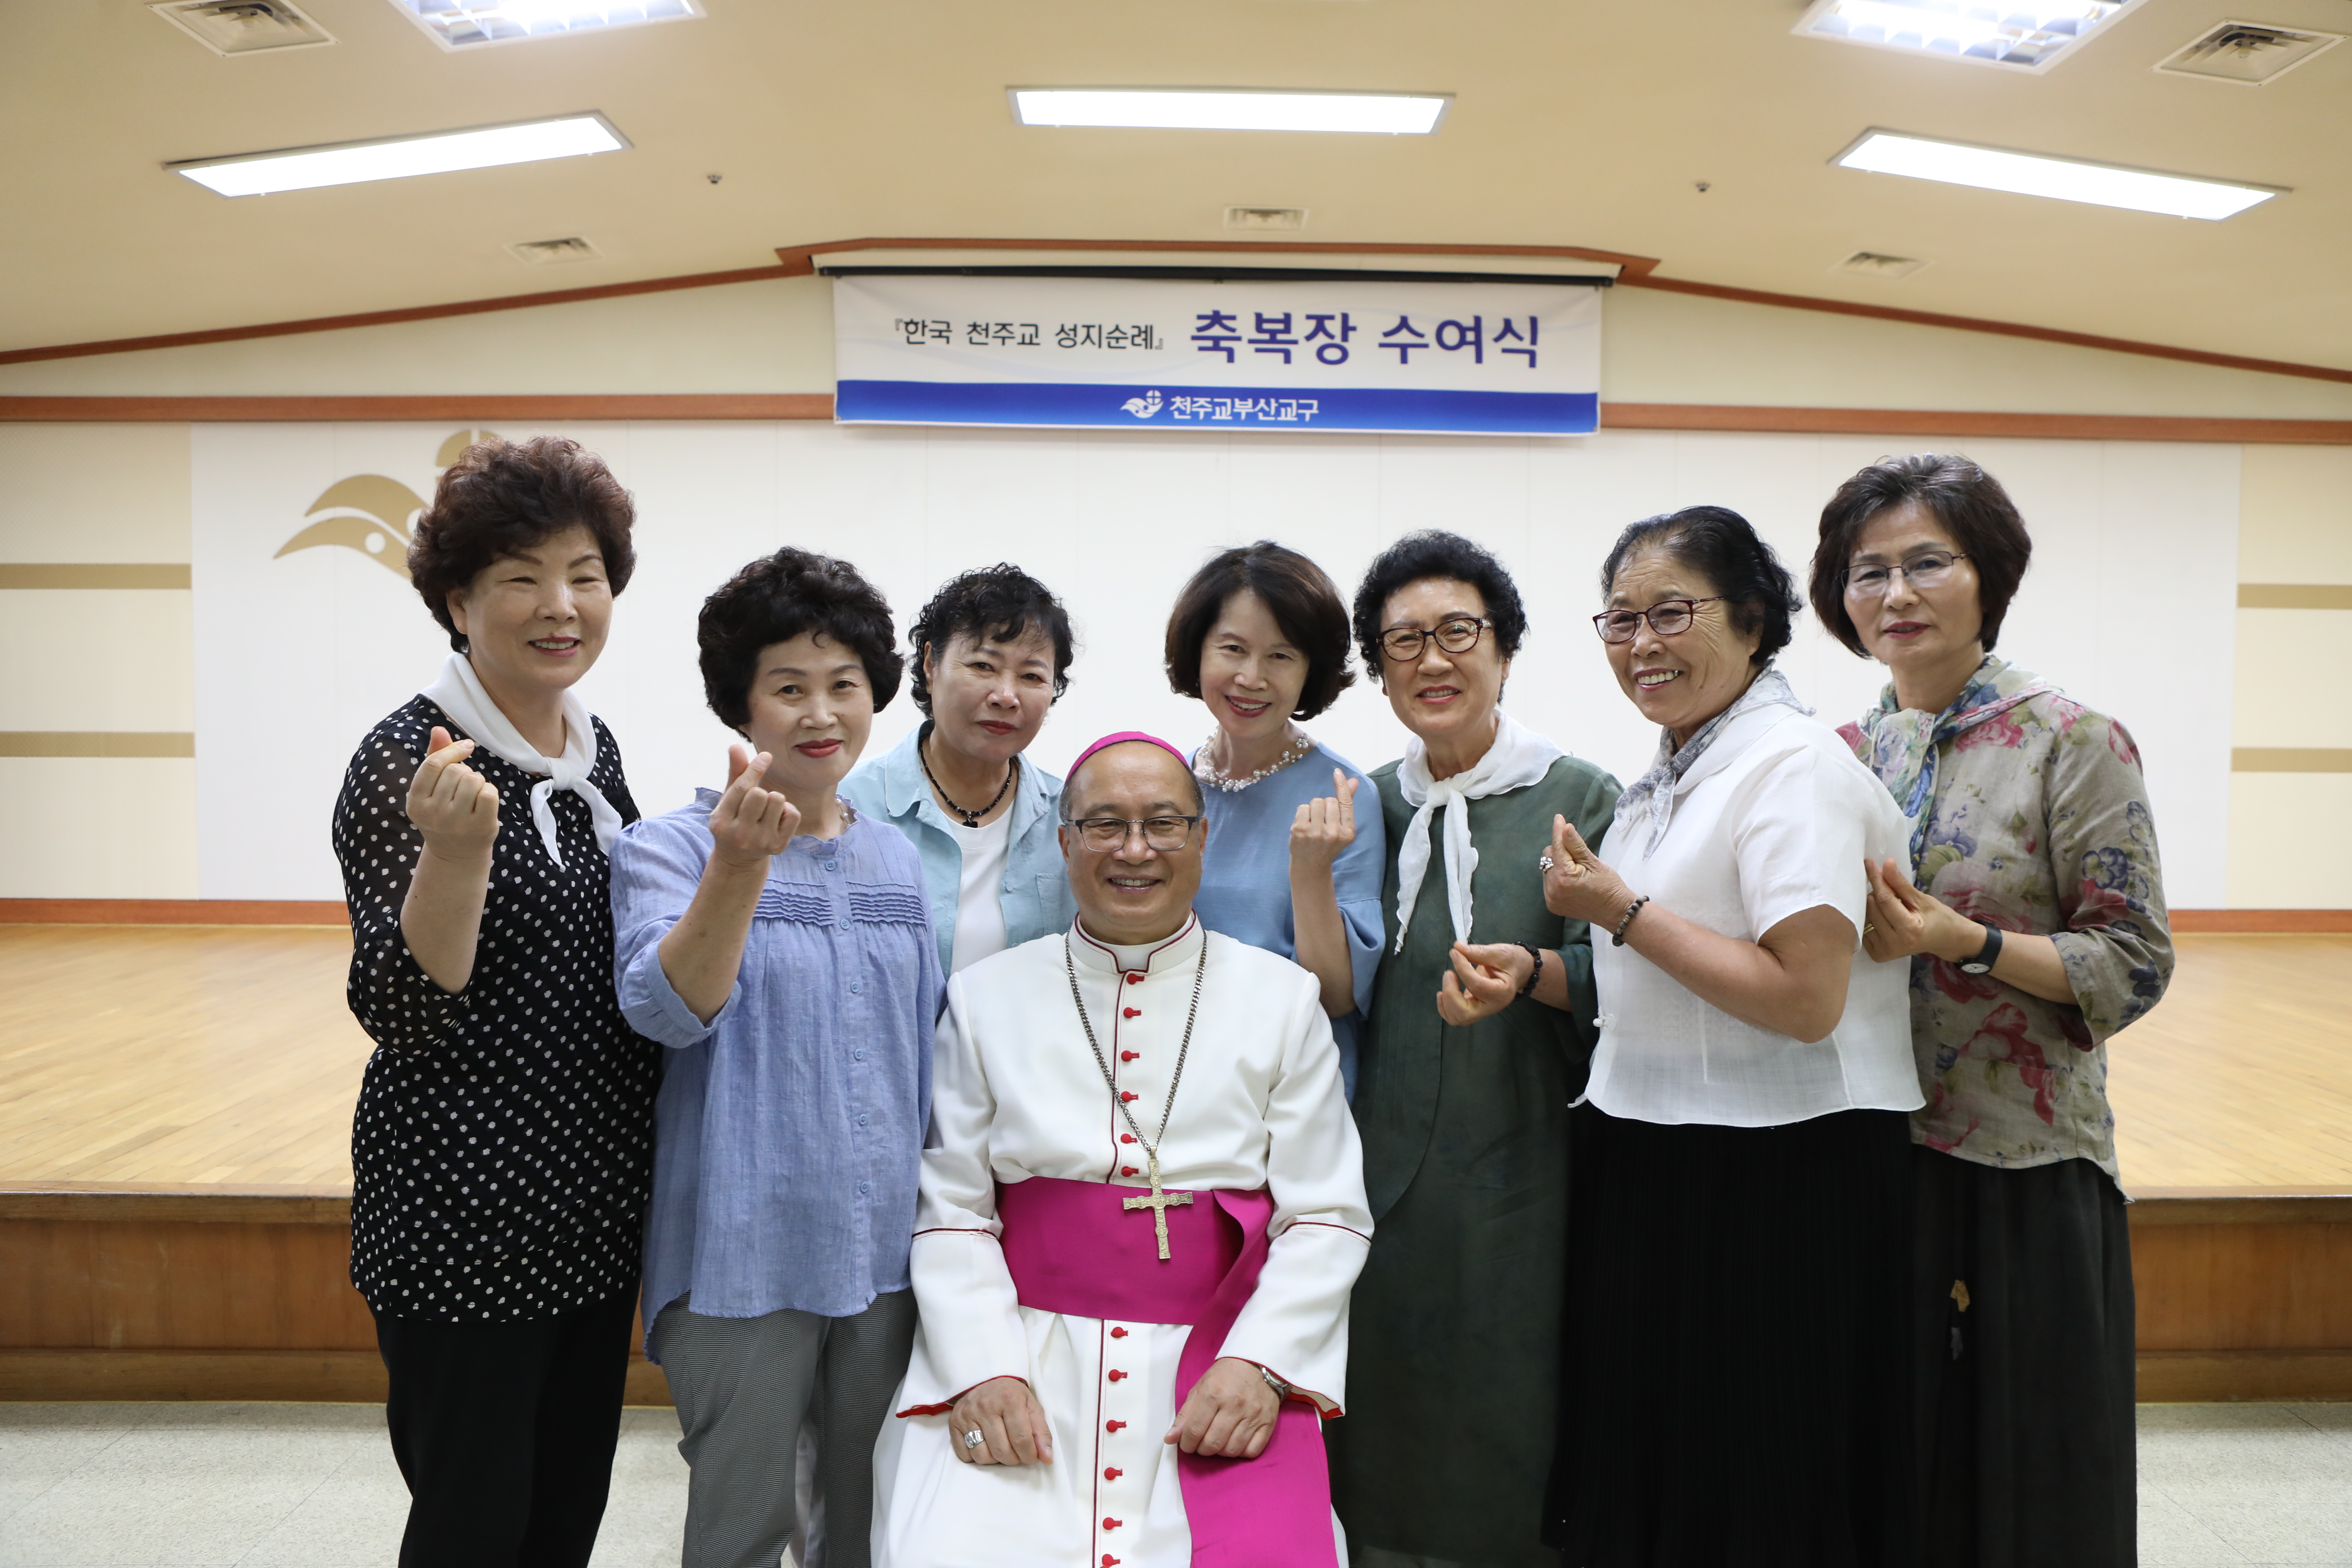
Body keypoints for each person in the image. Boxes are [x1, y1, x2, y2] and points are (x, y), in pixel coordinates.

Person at [872, 733, 1373, 1568]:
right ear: (1065, 842)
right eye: (1104, 825)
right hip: (1024, 1351)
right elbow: (952, 1206)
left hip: (1219, 1356)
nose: (1134, 849)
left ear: (1202, 838)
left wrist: (1260, 1364)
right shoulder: (985, 997)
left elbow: (1325, 1216)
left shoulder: (1283, 1001)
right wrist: (984, 1367)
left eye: (1164, 824)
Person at [1539, 505, 1922, 1567]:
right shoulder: (1670, 770)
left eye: (1671, 611)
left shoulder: (1788, 765)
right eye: (1618, 619)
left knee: (1761, 1469)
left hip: (1783, 1167)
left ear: (1752, 619)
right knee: (1668, 1456)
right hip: (1658, 1149)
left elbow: (1805, 998)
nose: (1640, 642)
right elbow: (1659, 981)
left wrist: (1615, 907)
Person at [1811, 455, 2173, 1568]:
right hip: (1870, 1143)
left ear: (1987, 575)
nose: (1895, 593)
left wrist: (1958, 939)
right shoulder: (1841, 752)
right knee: (1891, 1455)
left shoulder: (2070, 739)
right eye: (1866, 570)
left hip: (2020, 1155)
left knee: (2028, 1461)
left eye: (1927, 561)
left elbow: (2132, 957)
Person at [330, 435, 657, 1568]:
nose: (560, 605)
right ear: (459, 599)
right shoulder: (405, 762)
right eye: (521, 576)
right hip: (465, 1219)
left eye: (586, 574)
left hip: (590, 1206)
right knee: (475, 1524)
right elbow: (404, 1011)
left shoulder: (591, 746)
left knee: (567, 1514)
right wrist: (455, 857)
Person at [608, 548, 941, 1568]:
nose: (819, 712)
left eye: (842, 684)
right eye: (787, 686)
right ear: (740, 702)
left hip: (884, 1248)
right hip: (738, 1249)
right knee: (742, 1525)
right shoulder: (669, 846)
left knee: (873, 1519)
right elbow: (667, 1010)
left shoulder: (895, 853)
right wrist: (737, 867)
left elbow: (919, 1044)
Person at [1328, 530, 1620, 1568]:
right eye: (1401, 639)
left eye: (1458, 630)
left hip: (1524, 1162)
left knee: (1508, 1394)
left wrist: (1532, 976)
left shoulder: (1580, 796)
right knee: (1377, 1395)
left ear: (1504, 648)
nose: (1431, 658)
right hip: (1378, 1161)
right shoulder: (1366, 801)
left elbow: (1628, 982)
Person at [1164, 541, 1386, 1099]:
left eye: (1281, 656)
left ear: (1312, 670)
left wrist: (1309, 870)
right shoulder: (1167, 787)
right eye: (1233, 649)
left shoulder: (1343, 797)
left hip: (1285, 1091)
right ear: (1197, 651)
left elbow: (1337, 996)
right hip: (1168, 1076)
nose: (1251, 677)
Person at [842, 564, 1077, 979]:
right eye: (983, 666)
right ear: (931, 664)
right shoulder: (849, 809)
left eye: (1032, 676)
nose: (1006, 695)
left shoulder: (1073, 820)